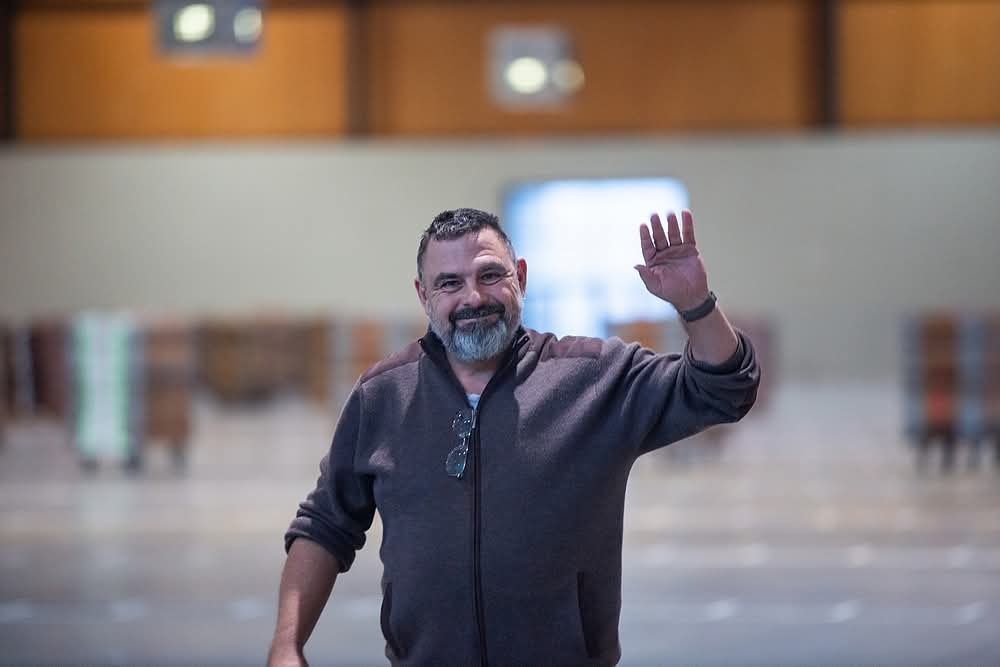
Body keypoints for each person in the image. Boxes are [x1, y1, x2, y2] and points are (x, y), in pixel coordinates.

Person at [268, 207, 760, 666]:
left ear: (520, 277)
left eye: (489, 276)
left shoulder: (593, 378)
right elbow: (325, 525)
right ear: (423, 295)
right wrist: (287, 645)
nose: (473, 298)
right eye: (449, 283)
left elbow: (723, 390)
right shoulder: (382, 396)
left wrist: (696, 306)